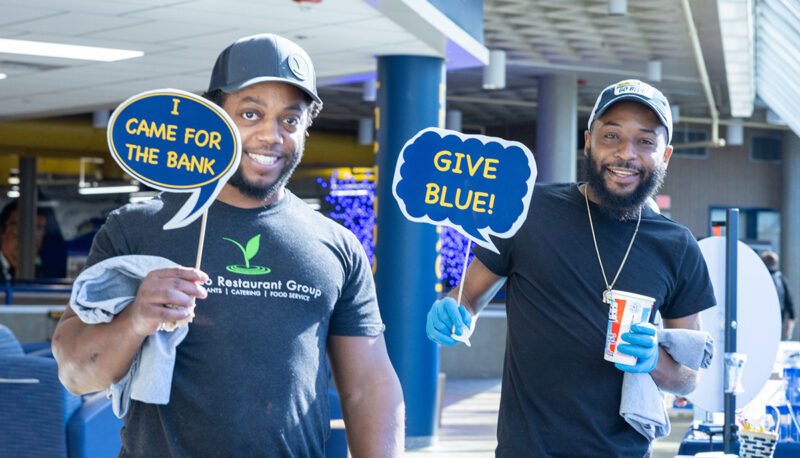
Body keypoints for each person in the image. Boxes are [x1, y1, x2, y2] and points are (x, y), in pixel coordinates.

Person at [52, 34, 404, 457]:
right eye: (250, 114)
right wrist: (136, 320)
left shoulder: (337, 246)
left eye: (289, 120)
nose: (270, 136)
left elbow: (368, 387)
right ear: (215, 116)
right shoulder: (137, 228)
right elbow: (76, 374)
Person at [426, 79, 716, 456]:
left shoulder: (678, 246)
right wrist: (454, 312)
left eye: (645, 141)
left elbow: (689, 377)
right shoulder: (527, 209)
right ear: (588, 141)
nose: (626, 154)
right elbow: (467, 297)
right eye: (611, 136)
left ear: (665, 155)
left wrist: (653, 361)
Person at [0, 199, 47, 282]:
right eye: (18, 228)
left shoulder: (38, 272)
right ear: (2, 231)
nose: (33, 236)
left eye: (39, 228)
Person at [762, 251, 795, 340]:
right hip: (764, 312)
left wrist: (792, 315)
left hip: (778, 313)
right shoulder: (761, 277)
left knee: (773, 335)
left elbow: (788, 298)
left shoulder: (779, 278)